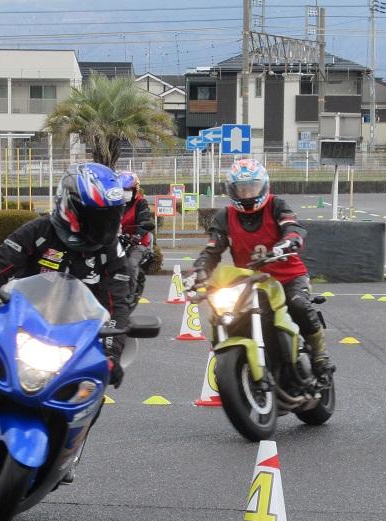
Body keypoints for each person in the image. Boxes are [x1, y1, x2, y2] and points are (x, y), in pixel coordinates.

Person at [0, 162, 131, 456]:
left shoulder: (112, 251)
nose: (105, 225)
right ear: (70, 209)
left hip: (75, 335)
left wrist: (113, 353)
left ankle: (69, 451)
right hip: (20, 322)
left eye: (110, 217)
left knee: (93, 385)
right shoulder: (39, 231)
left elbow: (118, 303)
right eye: (96, 217)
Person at [189, 157, 332, 381]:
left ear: (264, 186)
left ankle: (320, 356)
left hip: (288, 277)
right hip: (250, 282)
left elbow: (293, 228)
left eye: (252, 188)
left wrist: (288, 242)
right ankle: (226, 363)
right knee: (222, 314)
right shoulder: (225, 216)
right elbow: (212, 249)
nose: (247, 194)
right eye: (241, 189)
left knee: (299, 305)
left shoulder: (277, 205)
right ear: (231, 190)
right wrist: (200, 271)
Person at [117, 170, 154, 300]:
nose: (125, 192)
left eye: (128, 189)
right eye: (122, 189)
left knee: (131, 264)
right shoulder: (113, 203)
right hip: (116, 240)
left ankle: (130, 296)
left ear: (135, 190)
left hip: (136, 242)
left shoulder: (141, 203)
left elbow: (144, 220)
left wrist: (137, 235)